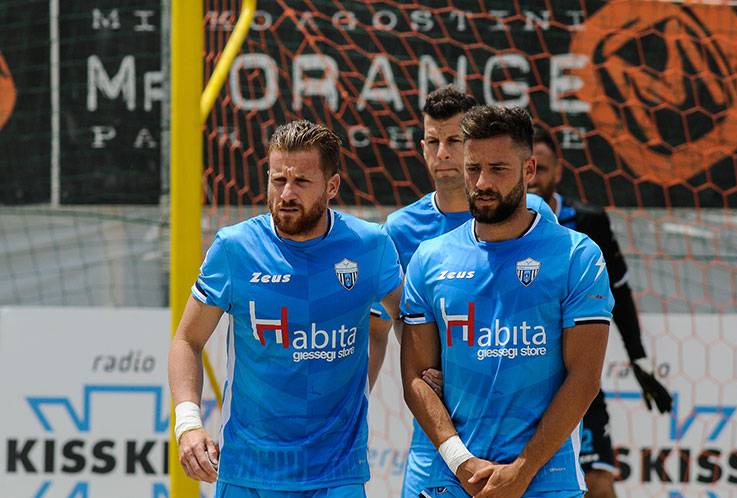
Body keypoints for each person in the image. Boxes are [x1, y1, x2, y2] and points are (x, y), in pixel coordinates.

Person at [168, 120, 403, 498]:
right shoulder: (234, 248)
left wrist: (430, 377)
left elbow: (406, 322)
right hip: (248, 472)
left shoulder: (370, 246)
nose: (286, 193)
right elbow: (187, 340)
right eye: (278, 180)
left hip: (336, 474)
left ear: (332, 186)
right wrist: (188, 424)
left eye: (301, 182)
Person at [400, 105, 614, 498]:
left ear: (529, 170)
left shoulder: (575, 255)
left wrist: (522, 470)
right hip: (449, 476)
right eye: (473, 168)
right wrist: (460, 461)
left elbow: (583, 378)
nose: (482, 182)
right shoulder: (429, 259)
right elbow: (415, 378)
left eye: (498, 169)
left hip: (544, 478)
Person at [365, 86, 557, 497]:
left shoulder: (535, 213)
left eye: (453, 141)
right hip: (443, 414)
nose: (443, 154)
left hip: (517, 414)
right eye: (433, 142)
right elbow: (380, 329)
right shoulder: (398, 230)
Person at [529, 127, 673, 498]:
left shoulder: (587, 221)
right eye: (527, 168)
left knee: (598, 486)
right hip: (517, 383)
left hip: (577, 383)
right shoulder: (490, 230)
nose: (533, 178)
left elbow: (619, 296)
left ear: (558, 171)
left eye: (541, 168)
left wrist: (639, 362)